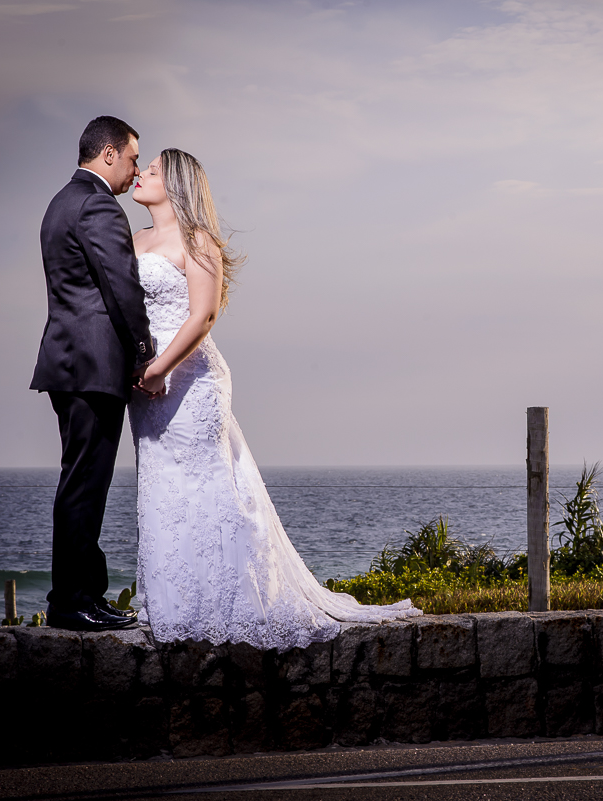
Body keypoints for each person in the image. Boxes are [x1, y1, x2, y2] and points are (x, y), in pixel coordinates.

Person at [128, 148, 420, 649]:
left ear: (175, 184)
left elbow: (202, 316)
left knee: (206, 489)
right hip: (146, 389)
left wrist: (160, 368)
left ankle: (229, 604)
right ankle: (174, 604)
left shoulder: (199, 242)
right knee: (162, 488)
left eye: (151, 170)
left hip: (190, 382)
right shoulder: (132, 239)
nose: (140, 174)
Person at [31, 116, 153, 632]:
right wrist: (144, 350)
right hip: (94, 365)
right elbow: (121, 287)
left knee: (81, 482)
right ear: (107, 154)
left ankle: (87, 594)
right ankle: (72, 602)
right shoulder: (99, 205)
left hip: (68, 362)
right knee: (85, 485)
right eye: (131, 159)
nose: (134, 170)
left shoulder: (60, 202)